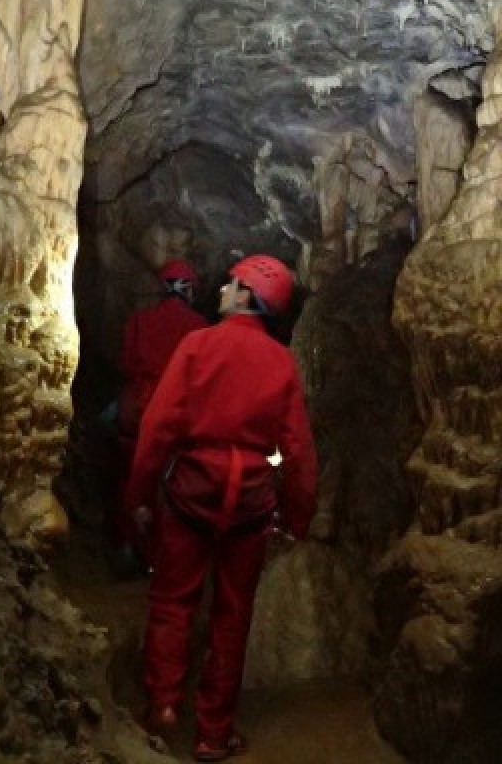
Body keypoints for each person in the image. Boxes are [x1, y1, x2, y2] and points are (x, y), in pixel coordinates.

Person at [122, 254, 318, 762]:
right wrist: (298, 517)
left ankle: (163, 704)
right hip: (250, 502)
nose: (223, 291)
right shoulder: (280, 362)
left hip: (193, 491)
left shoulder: (198, 345)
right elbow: (296, 451)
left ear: (243, 295)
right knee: (232, 616)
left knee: (172, 599)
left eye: (232, 286)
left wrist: (140, 494)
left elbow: (158, 428)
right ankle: (212, 733)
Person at [113, 259, 208, 564]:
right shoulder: (200, 328)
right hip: (178, 416)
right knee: (172, 483)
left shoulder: (140, 320)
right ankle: (164, 552)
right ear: (189, 290)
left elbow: (126, 364)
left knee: (129, 473)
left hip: (138, 409)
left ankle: (127, 545)